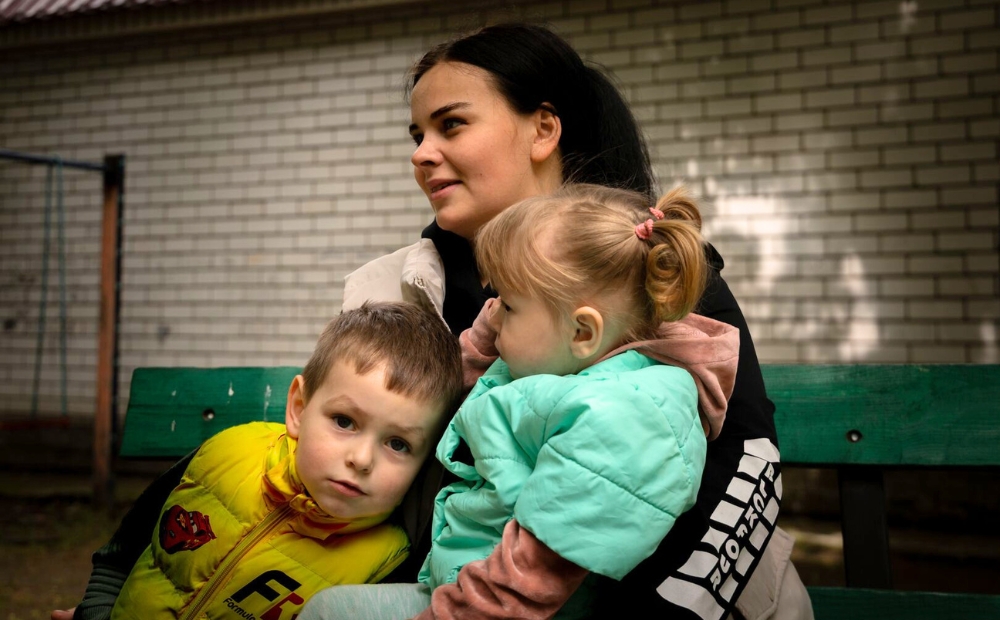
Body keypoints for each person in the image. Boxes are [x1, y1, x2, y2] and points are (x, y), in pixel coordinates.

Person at [336, 23, 812, 620]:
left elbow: (745, 467)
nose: (420, 153)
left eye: (451, 124)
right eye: (417, 134)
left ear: (543, 129)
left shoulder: (647, 276)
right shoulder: (390, 291)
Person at [300, 182, 742, 619]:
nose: (492, 310)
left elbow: (531, 582)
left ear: (583, 332)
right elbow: (458, 389)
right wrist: (491, 332)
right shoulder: (555, 365)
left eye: (508, 305)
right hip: (460, 584)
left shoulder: (624, 417)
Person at [60, 302, 463, 620]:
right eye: (344, 421)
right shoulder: (227, 452)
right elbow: (119, 556)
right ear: (299, 409)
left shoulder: (387, 562)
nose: (361, 459)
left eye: (397, 444)